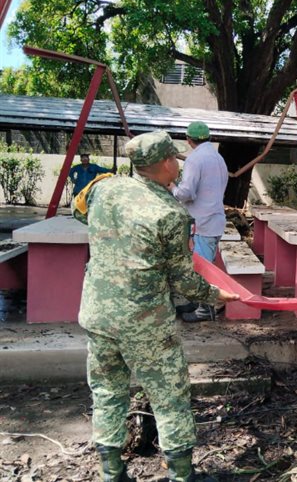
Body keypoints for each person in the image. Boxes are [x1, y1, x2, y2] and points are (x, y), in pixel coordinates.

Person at [72, 130, 239, 481]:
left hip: (98, 314)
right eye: (175, 160)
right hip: (144, 321)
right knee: (169, 396)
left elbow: (79, 211)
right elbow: (182, 279)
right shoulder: (170, 214)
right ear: (164, 162)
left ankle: (112, 472)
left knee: (107, 391)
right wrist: (215, 294)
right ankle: (181, 474)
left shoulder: (104, 188)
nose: (178, 165)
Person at [170, 121, 229, 322]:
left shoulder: (195, 159)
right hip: (213, 219)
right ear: (208, 137)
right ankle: (198, 302)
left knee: (203, 268)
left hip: (203, 222)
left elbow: (187, 193)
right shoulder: (218, 158)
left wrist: (172, 188)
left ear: (188, 139)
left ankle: (206, 309)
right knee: (204, 264)